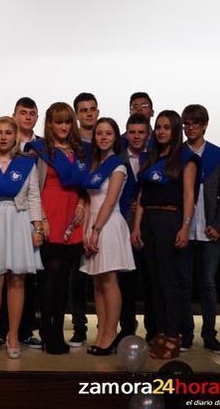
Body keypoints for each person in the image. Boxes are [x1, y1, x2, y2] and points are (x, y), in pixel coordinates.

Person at [0, 116, 43, 359]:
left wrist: (37, 228)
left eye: (8, 133)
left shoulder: (26, 164)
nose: (3, 137)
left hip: (19, 220)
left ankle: (13, 334)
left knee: (17, 280)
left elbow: (34, 196)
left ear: (15, 137)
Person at [131, 110, 196, 360]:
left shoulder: (185, 158)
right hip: (149, 222)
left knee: (170, 282)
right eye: (158, 127)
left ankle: (173, 335)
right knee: (154, 281)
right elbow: (141, 197)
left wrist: (185, 227)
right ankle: (160, 332)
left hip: (171, 220)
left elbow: (189, 195)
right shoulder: (151, 158)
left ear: (175, 130)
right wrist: (136, 227)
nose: (160, 131)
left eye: (166, 127)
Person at [26, 102, 87, 355]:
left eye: (67, 122)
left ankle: (58, 330)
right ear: (49, 124)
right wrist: (41, 220)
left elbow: (87, 183)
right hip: (49, 219)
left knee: (65, 282)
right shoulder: (39, 151)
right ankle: (48, 333)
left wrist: (83, 202)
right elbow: (31, 189)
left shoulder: (81, 151)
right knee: (49, 281)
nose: (63, 126)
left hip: (74, 221)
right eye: (58, 122)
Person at [178, 104, 220, 355]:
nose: (190, 128)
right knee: (184, 283)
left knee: (208, 283)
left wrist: (219, 227)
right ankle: (186, 334)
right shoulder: (176, 154)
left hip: (210, 230)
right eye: (186, 124)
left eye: (195, 124)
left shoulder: (219, 156)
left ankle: (210, 335)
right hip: (184, 229)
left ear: (204, 126)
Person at [80, 118, 134, 356]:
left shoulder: (117, 166)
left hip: (108, 224)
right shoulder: (93, 165)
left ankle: (111, 333)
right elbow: (88, 199)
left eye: (108, 133)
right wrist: (85, 229)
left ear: (115, 138)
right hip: (92, 222)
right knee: (97, 283)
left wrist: (96, 230)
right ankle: (102, 331)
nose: (103, 137)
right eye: (99, 133)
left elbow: (110, 201)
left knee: (109, 281)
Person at [115, 113, 156, 346]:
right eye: (132, 132)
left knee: (151, 280)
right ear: (126, 134)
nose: (137, 136)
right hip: (122, 225)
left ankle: (153, 330)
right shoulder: (117, 158)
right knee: (126, 282)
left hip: (150, 226)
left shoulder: (157, 157)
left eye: (141, 132)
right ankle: (127, 329)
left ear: (148, 134)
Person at [69, 92, 99, 347]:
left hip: (102, 213)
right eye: (83, 110)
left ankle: (108, 328)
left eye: (92, 109)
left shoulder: (106, 140)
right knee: (76, 276)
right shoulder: (72, 143)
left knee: (105, 276)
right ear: (77, 114)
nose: (89, 113)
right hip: (77, 214)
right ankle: (79, 327)